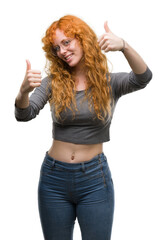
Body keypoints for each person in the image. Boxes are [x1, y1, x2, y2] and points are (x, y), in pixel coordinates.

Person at [14, 15, 152, 240]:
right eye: (56, 47)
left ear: (83, 40)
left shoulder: (109, 83)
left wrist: (124, 46)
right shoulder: (52, 83)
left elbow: (143, 77)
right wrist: (23, 92)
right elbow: (24, 114)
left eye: (67, 42)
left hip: (94, 180)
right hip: (53, 179)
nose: (62, 51)